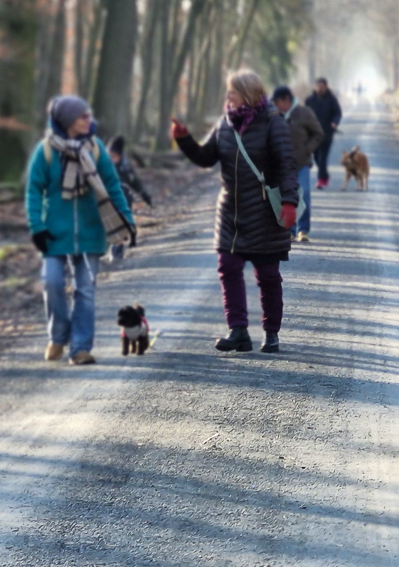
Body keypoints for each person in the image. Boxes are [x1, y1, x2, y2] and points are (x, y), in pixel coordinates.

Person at [171, 69, 299, 354]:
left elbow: (287, 166)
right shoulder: (225, 124)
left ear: (249, 93)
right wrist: (185, 140)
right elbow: (206, 157)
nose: (228, 96)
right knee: (228, 267)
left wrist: (289, 202)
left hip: (265, 213)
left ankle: (271, 333)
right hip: (231, 212)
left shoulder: (273, 122)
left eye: (233, 91)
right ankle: (238, 330)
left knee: (267, 276)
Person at [26, 96, 136, 366]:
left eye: (89, 115)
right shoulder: (47, 151)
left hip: (91, 233)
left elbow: (112, 187)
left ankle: (80, 348)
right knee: (52, 282)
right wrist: (37, 228)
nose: (90, 120)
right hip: (53, 234)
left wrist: (127, 221)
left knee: (85, 290)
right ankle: (58, 336)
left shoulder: (95, 148)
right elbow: (33, 191)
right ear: (67, 121)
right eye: (83, 116)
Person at [272, 85, 324, 243]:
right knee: (286, 197)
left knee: (304, 193)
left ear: (287, 100)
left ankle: (303, 229)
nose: (276, 106)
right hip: (281, 165)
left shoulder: (304, 113)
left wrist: (307, 149)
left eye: (278, 102)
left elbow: (318, 134)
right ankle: (289, 230)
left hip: (301, 163)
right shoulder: (274, 116)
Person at [106, 135, 153, 261]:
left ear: (120, 156)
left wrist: (144, 195)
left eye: (115, 156)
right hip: (106, 199)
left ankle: (117, 250)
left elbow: (135, 182)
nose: (112, 159)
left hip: (123, 198)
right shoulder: (102, 164)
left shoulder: (125, 167)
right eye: (110, 156)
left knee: (121, 224)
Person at [307, 77, 342, 190]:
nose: (320, 88)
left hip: (327, 133)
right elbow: (304, 114)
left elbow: (337, 113)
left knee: (323, 158)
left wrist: (334, 122)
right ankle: (325, 175)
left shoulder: (331, 99)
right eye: (318, 86)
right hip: (313, 135)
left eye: (322, 86)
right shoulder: (310, 100)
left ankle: (321, 180)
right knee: (316, 157)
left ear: (326, 87)